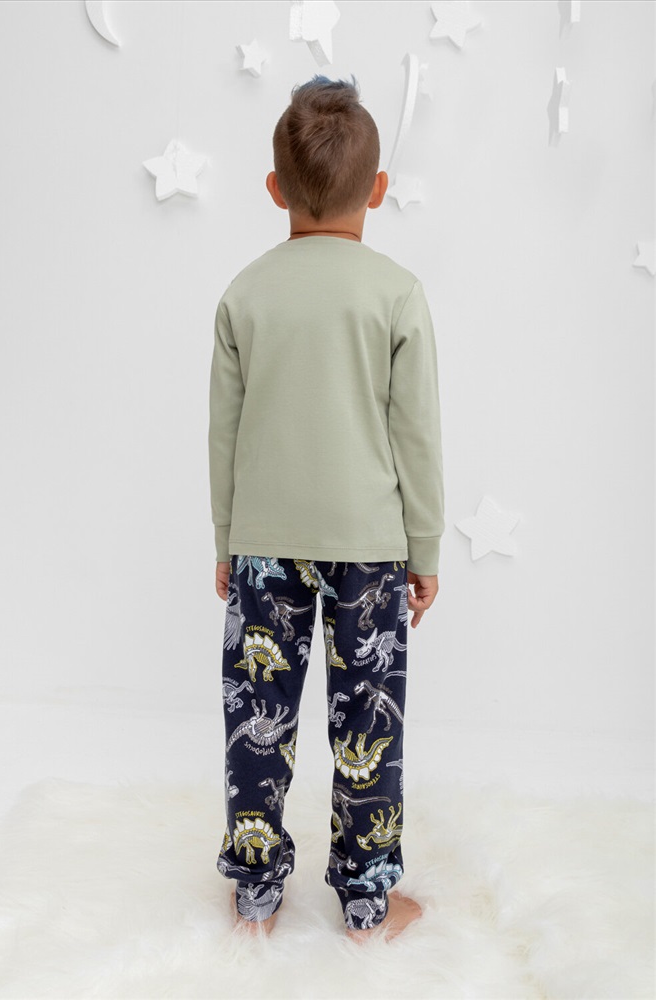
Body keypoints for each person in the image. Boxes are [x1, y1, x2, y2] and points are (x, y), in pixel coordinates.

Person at [208, 75, 444, 942]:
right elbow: (415, 432)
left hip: (263, 542)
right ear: (376, 190)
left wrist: (226, 539)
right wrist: (424, 549)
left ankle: (256, 896)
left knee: (255, 725)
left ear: (275, 190)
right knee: (367, 727)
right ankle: (366, 902)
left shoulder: (244, 293)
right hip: (370, 548)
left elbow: (224, 433)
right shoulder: (396, 293)